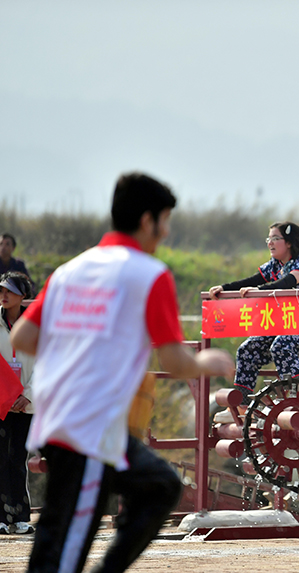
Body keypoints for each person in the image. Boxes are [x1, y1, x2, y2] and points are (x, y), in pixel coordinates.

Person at [10, 172, 235, 573]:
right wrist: (208, 363)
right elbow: (175, 362)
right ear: (148, 220)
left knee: (159, 487)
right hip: (91, 429)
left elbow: (24, 336)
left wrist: (78, 346)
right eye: (165, 220)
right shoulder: (148, 274)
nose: (165, 232)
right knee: (63, 547)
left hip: (67, 419)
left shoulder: (70, 271)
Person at [209, 221, 299, 424]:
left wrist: (260, 291)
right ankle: (241, 407)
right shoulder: (275, 265)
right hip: (284, 322)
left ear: (288, 242)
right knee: (247, 350)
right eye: (268, 238)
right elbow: (252, 281)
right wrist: (224, 288)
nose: (270, 243)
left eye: (275, 238)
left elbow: (287, 283)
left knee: (281, 345)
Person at [0, 271, 35, 535]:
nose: (3, 295)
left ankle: (21, 517)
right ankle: (1, 516)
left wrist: (28, 395)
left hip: (25, 404)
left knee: (18, 459)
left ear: (23, 296)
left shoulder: (36, 327)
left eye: (9, 291)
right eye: (1, 290)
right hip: (0, 403)